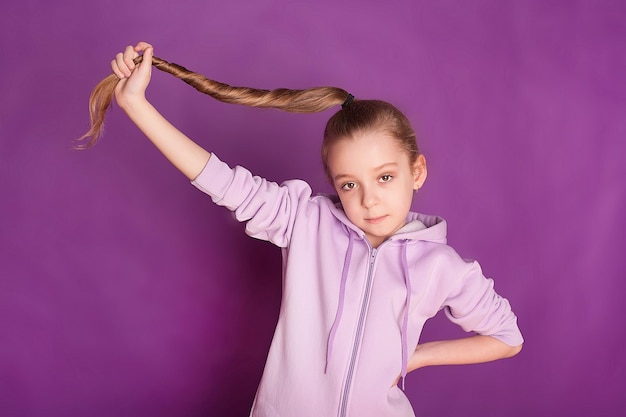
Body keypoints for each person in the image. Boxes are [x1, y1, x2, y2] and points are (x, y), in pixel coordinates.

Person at [84, 41, 523, 417]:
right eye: (349, 184)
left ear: (417, 170)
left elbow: (507, 338)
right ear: (334, 184)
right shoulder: (304, 221)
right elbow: (219, 179)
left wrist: (418, 357)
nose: (369, 199)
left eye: (385, 177)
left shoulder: (442, 266)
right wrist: (136, 105)